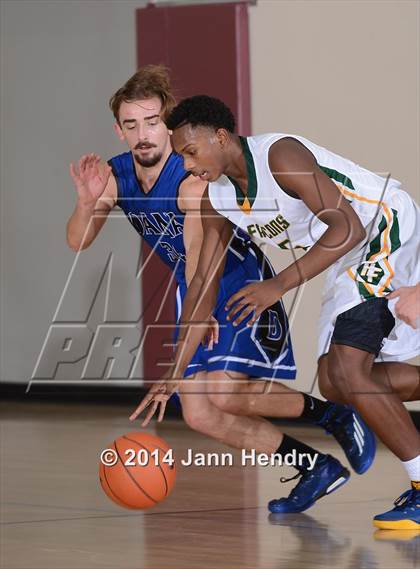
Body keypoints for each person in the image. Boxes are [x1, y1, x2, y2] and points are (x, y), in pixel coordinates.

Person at [67, 67, 375, 514]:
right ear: (119, 130)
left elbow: (199, 254)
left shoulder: (192, 177)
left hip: (231, 279)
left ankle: (334, 415)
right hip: (190, 288)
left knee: (226, 395)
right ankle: (314, 467)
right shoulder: (115, 177)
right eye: (131, 125)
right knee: (199, 414)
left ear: (167, 122)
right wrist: (84, 203)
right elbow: (78, 241)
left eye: (152, 122)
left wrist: (201, 308)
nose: (143, 134)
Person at [139, 94, 419, 528]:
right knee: (337, 383)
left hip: (381, 226)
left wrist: (277, 286)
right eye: (181, 157)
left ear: (220, 135)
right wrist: (175, 369)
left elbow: (348, 226)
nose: (188, 165)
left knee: (348, 370)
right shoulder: (217, 198)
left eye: (191, 152)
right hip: (348, 255)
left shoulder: (279, 156)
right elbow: (201, 284)